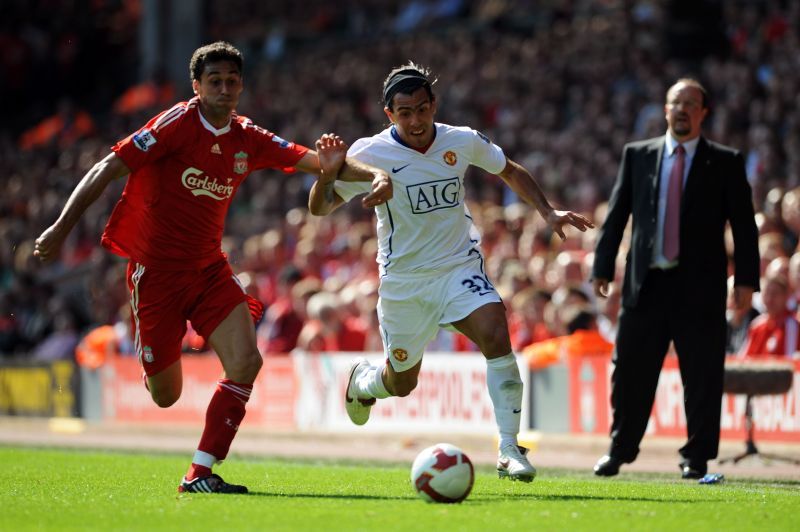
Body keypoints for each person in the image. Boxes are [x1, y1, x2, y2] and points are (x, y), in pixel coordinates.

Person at [33, 41, 392, 494]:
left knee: (246, 361)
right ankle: (155, 359)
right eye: (215, 81)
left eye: (232, 81)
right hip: (156, 274)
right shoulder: (175, 124)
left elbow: (320, 163)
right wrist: (61, 228)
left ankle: (200, 471)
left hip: (208, 270)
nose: (225, 88)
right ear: (197, 86)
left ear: (241, 86)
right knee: (167, 396)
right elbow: (108, 166)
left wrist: (374, 176)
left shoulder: (248, 137)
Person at [308, 63, 593, 482]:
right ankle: (365, 382)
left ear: (433, 105)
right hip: (405, 283)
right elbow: (320, 207)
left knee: (496, 331)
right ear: (389, 114)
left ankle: (510, 448)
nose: (415, 120)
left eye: (422, 109)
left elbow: (509, 170)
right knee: (402, 383)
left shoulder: (460, 140)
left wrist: (546, 211)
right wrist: (328, 172)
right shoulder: (369, 154)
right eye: (405, 112)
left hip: (458, 266)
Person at [591, 78, 760, 479]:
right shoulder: (638, 155)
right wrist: (602, 266)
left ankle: (697, 457)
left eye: (690, 103)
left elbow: (744, 227)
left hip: (699, 289)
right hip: (645, 286)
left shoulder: (725, 161)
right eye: (674, 102)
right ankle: (620, 448)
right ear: (665, 110)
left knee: (702, 377)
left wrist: (746, 282)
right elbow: (617, 215)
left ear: (704, 112)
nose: (681, 109)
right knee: (630, 372)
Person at [739, 275, 799, 357]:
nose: (770, 299)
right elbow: (743, 360)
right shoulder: (756, 325)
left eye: (775, 293)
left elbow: (791, 362)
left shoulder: (793, 325)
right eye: (766, 293)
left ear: (786, 296)